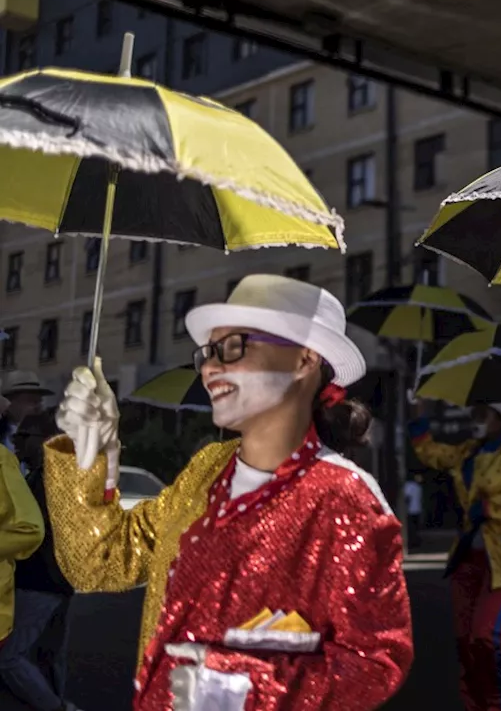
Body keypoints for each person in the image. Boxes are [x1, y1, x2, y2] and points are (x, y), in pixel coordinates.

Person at [46, 274, 413, 709]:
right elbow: (99, 564)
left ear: (304, 361)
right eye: (208, 352)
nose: (209, 367)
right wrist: (92, 452)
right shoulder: (207, 469)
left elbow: (373, 660)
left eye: (234, 347)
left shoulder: (346, 498)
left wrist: (237, 687)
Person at [413, 400, 501, 711]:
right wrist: (418, 418)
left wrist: (491, 508)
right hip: (468, 556)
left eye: (483, 413)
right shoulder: (468, 450)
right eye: (474, 413)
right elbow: (431, 454)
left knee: (488, 635)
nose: (476, 420)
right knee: (466, 642)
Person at [0, 411, 76, 711]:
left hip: (41, 582)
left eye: (23, 437)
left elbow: (36, 532)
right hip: (57, 583)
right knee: (48, 654)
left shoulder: (51, 479)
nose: (16, 443)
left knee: (10, 659)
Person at [1, 373, 53, 454]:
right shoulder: (3, 434)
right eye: (31, 400)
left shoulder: (51, 433)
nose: (38, 406)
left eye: (39, 401)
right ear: (9, 403)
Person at [404, 474, 424, 548]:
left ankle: (413, 541)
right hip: (415, 510)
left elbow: (407, 498)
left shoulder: (410, 486)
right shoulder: (417, 487)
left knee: (412, 527)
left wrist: (405, 508)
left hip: (411, 510)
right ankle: (415, 541)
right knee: (414, 527)